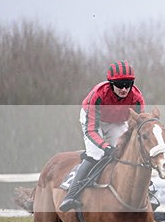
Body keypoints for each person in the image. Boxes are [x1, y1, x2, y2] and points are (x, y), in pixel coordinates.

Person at [59, 61, 146, 211]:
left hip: (117, 121)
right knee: (97, 153)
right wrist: (105, 147)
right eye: (120, 84)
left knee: (125, 153)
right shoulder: (98, 95)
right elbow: (92, 129)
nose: (124, 89)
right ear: (111, 83)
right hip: (94, 120)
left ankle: (147, 190)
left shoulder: (137, 98)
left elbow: (136, 127)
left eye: (128, 84)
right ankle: (71, 195)